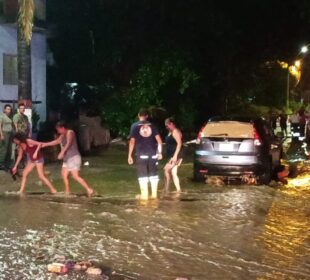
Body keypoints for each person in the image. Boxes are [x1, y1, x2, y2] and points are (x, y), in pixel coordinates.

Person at [43, 121, 94, 196]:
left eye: (58, 129)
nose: (57, 131)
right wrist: (45, 144)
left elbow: (69, 143)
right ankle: (67, 191)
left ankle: (89, 189)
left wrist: (62, 152)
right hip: (67, 159)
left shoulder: (70, 132)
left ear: (62, 128)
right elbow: (56, 141)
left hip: (74, 157)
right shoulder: (62, 135)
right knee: (64, 174)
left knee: (75, 176)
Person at [128, 109, 163, 200]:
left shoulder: (134, 126)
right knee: (153, 176)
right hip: (153, 155)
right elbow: (159, 141)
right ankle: (154, 196)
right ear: (147, 116)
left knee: (143, 177)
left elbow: (132, 142)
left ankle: (144, 196)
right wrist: (159, 153)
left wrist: (129, 155)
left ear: (138, 115)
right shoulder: (153, 126)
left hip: (141, 155)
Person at [162, 118, 183, 196]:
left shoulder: (175, 131)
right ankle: (178, 190)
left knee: (166, 170)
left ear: (172, 124)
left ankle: (166, 189)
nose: (167, 127)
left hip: (175, 155)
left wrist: (175, 156)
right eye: (166, 126)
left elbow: (179, 143)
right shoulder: (170, 132)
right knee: (173, 173)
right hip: (171, 155)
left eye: (167, 126)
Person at [0, 104, 13, 170]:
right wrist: (1, 135)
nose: (9, 110)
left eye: (10, 109)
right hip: (4, 133)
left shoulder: (9, 117)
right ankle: (1, 164)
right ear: (4, 110)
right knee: (4, 149)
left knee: (9, 150)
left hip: (10, 134)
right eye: (8, 109)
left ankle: (7, 164)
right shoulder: (2, 116)